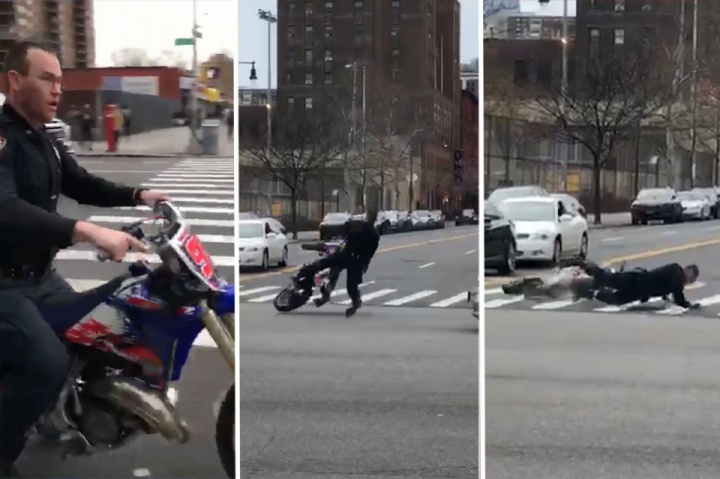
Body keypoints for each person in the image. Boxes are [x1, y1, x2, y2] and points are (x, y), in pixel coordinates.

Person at [0, 39, 169, 477]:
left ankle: (61, 413)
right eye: (47, 79)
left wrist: (138, 195)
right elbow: (7, 206)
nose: (58, 90)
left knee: (106, 317)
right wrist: (86, 230)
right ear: (15, 81)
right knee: (45, 361)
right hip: (6, 286)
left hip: (40, 278)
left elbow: (82, 183)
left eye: (60, 80)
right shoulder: (3, 138)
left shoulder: (45, 140)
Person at [298, 210, 380, 317]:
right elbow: (369, 251)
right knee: (329, 270)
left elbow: (369, 251)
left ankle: (352, 301)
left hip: (352, 258)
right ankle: (327, 295)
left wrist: (364, 262)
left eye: (370, 217)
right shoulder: (366, 230)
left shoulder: (366, 230)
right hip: (351, 257)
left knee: (346, 281)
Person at [573, 259, 700, 309]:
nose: (690, 282)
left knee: (615, 299)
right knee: (609, 279)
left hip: (639, 290)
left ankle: (589, 292)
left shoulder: (676, 276)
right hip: (635, 280)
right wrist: (687, 305)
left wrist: (663, 296)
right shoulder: (676, 272)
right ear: (688, 271)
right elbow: (678, 295)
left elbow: (662, 285)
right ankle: (584, 266)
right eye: (692, 278)